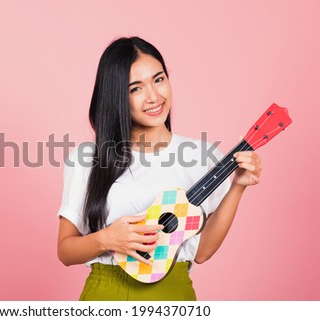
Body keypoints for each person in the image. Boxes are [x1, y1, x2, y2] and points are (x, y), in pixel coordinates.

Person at [56, 36, 262, 301]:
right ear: (116, 97)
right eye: (135, 89)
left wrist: (238, 187)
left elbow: (202, 252)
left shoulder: (204, 156)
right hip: (107, 292)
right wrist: (106, 239)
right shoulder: (88, 158)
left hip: (174, 293)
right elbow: (65, 251)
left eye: (159, 79)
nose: (154, 96)